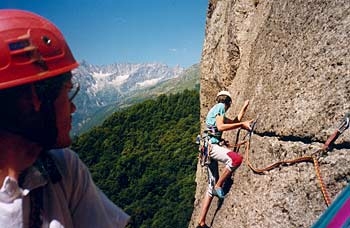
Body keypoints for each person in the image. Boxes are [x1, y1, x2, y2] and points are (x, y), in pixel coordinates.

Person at [0, 9, 130, 228]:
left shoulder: (63, 167)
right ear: (36, 98)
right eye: (67, 92)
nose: (72, 107)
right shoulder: (58, 172)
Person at [196, 90, 252, 228]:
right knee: (236, 159)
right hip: (210, 147)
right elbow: (222, 127)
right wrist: (242, 125)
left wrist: (244, 109)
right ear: (228, 102)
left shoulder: (215, 110)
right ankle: (218, 185)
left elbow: (233, 122)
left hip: (206, 148)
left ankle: (201, 222)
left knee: (210, 187)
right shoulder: (220, 107)